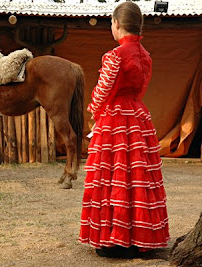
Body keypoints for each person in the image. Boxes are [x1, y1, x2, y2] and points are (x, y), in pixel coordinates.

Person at [79, 2, 170, 258]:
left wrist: (95, 113)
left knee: (113, 177)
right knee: (137, 178)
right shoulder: (146, 56)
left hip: (115, 121)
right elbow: (140, 90)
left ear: (117, 24)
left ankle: (113, 240)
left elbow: (102, 92)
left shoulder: (115, 56)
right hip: (138, 117)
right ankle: (136, 238)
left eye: (111, 23)